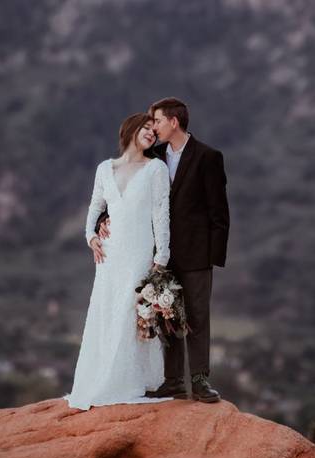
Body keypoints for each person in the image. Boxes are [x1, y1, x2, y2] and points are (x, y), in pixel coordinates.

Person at [94, 97, 230, 403]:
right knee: (165, 314)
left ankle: (199, 381)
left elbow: (219, 213)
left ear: (173, 122)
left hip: (197, 255)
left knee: (196, 317)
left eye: (156, 120)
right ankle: (172, 382)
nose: (152, 127)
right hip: (157, 252)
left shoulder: (208, 157)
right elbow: (128, 196)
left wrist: (212, 258)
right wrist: (104, 218)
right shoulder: (153, 156)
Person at [63, 113, 172, 411]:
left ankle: (125, 381)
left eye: (154, 131)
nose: (151, 134)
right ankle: (100, 379)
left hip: (139, 251)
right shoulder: (104, 169)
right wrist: (91, 237)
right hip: (109, 255)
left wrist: (162, 256)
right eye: (146, 129)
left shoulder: (156, 169)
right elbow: (96, 206)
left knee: (129, 311)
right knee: (106, 309)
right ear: (131, 130)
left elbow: (161, 214)